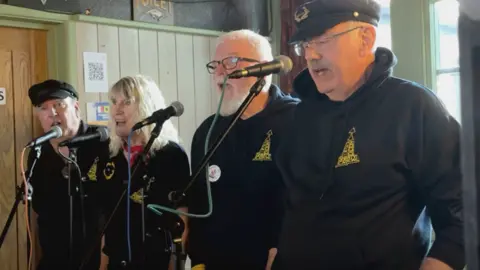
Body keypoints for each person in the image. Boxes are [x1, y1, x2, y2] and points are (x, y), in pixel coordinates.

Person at [272, 0, 465, 270]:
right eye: (305, 43)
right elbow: (287, 199)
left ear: (366, 38)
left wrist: (440, 263)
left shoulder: (413, 107)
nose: (310, 55)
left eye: (323, 40)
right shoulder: (298, 115)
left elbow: (462, 212)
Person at [186, 29, 299, 270]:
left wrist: (287, 250)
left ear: (265, 68)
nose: (219, 72)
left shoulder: (297, 121)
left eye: (231, 62)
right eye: (215, 64)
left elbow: (308, 201)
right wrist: (197, 257)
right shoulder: (208, 131)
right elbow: (197, 202)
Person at [96, 75, 190, 270]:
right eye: (114, 102)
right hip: (117, 262)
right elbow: (107, 221)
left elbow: (182, 217)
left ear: (147, 105)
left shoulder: (171, 155)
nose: (117, 109)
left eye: (127, 101)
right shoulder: (108, 154)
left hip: (156, 261)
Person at [27, 79, 106, 270]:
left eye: (58, 105)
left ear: (76, 107)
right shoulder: (38, 152)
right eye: (43, 108)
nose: (52, 113)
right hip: (54, 259)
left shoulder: (102, 142)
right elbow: (37, 208)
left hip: (98, 259)